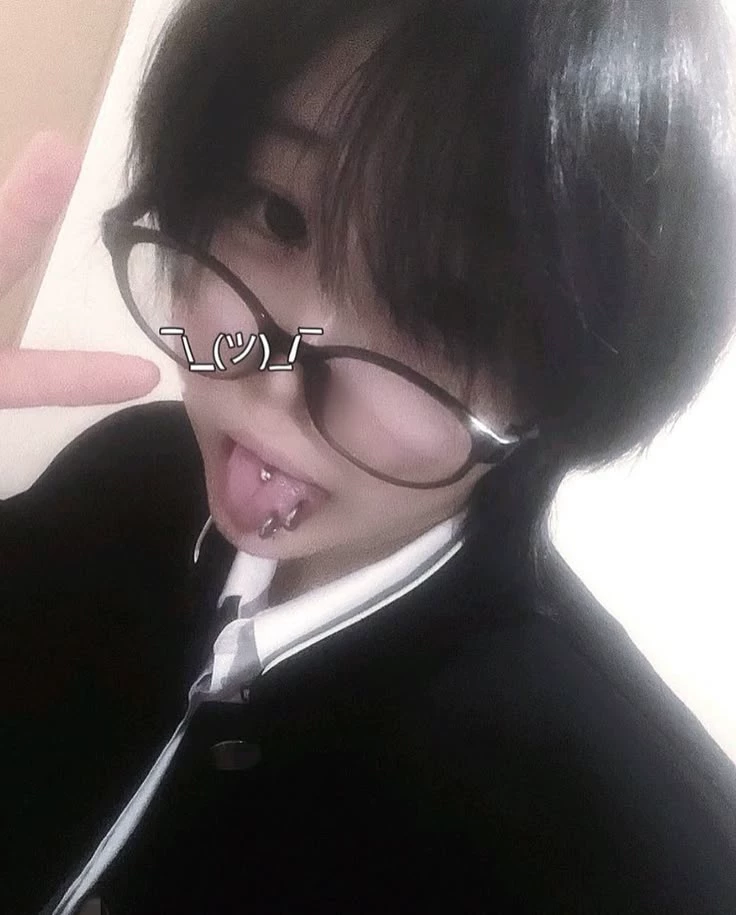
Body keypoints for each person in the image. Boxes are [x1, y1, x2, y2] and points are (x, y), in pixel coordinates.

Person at [3, 1, 736, 912]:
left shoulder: (627, 851)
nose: (278, 374)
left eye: (444, 305)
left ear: (562, 389)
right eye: (277, 215)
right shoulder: (131, 480)